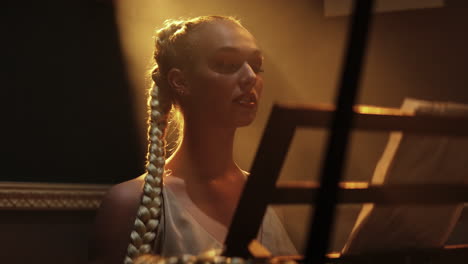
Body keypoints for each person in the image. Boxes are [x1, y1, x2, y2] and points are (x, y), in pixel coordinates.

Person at [88, 15, 296, 264]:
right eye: (227, 63)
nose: (251, 76)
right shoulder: (129, 203)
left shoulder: (265, 195)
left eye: (256, 65)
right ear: (180, 81)